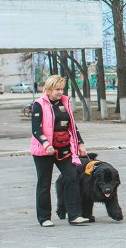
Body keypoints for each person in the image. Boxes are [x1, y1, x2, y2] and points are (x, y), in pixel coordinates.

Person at [30, 75, 90, 227]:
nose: (59, 92)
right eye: (56, 89)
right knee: (44, 183)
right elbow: (36, 128)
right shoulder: (39, 104)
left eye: (61, 89)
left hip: (64, 148)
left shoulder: (65, 102)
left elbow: (72, 126)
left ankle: (75, 215)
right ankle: (44, 217)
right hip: (45, 150)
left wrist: (80, 143)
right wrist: (46, 144)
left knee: (72, 177)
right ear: (48, 89)